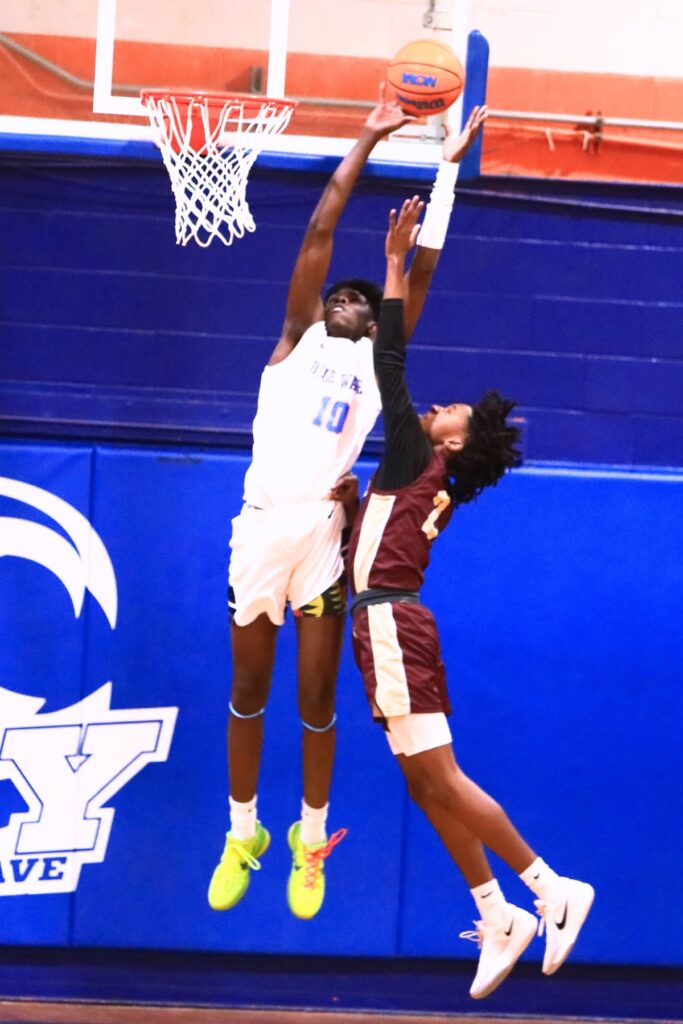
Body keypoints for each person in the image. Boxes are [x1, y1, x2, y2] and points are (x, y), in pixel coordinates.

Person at [208, 90, 488, 921]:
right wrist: (365, 137)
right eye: (338, 293)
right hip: (260, 530)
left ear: (373, 325)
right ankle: (240, 831)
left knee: (317, 699)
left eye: (361, 298)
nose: (344, 296)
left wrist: (443, 173)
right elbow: (320, 231)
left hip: (324, 542)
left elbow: (423, 271)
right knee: (247, 686)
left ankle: (309, 839)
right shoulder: (294, 340)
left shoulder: (377, 370)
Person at [345, 196, 594, 999]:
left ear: (448, 442)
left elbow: (387, 362)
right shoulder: (421, 477)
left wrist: (392, 265)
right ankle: (495, 913)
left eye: (446, 411)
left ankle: (547, 886)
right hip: (385, 621)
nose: (436, 404)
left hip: (388, 623)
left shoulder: (418, 457)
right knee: (421, 781)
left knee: (440, 777)